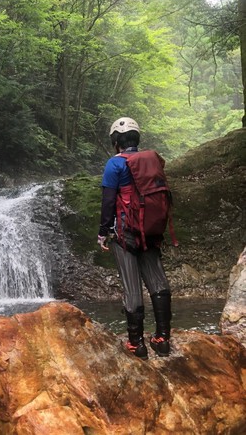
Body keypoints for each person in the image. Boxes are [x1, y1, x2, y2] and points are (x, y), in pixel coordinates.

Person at [97, 117, 172, 359]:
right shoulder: (152, 161)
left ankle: (136, 343)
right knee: (158, 282)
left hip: (126, 234)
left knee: (132, 287)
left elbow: (109, 202)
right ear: (136, 139)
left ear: (116, 140)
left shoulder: (115, 164)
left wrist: (103, 232)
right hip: (151, 231)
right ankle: (162, 339)